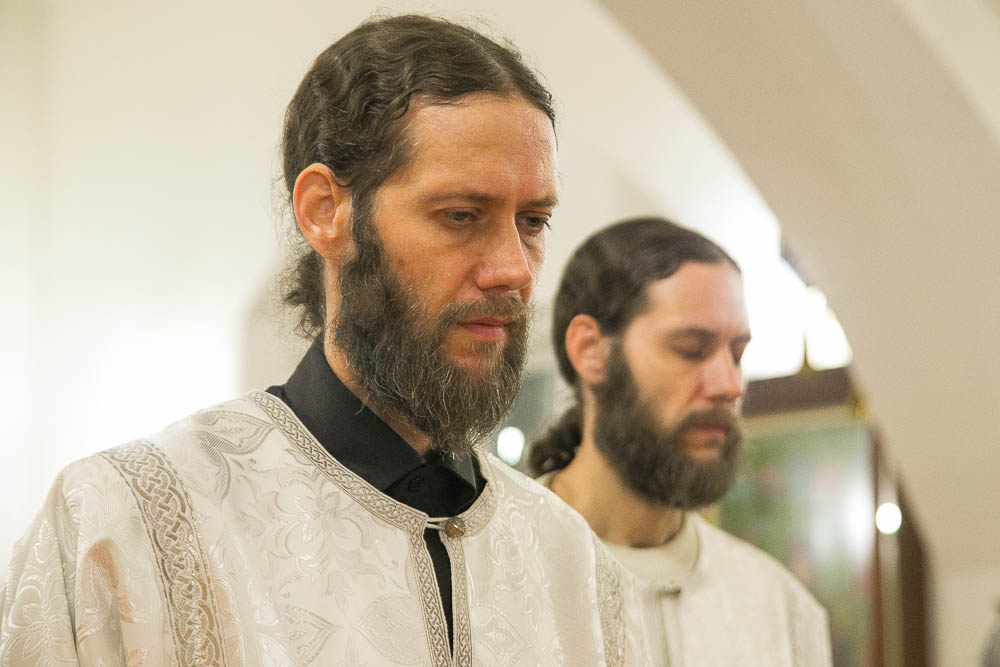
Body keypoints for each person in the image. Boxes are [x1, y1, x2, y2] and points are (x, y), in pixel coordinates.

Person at [0, 16, 648, 665]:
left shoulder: (576, 568)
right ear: (324, 212)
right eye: (460, 215)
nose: (515, 269)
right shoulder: (125, 525)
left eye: (533, 221)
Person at [530, 217, 832, 666]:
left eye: (737, 355)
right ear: (591, 350)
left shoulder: (781, 610)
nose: (729, 386)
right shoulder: (500, 574)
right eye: (692, 349)